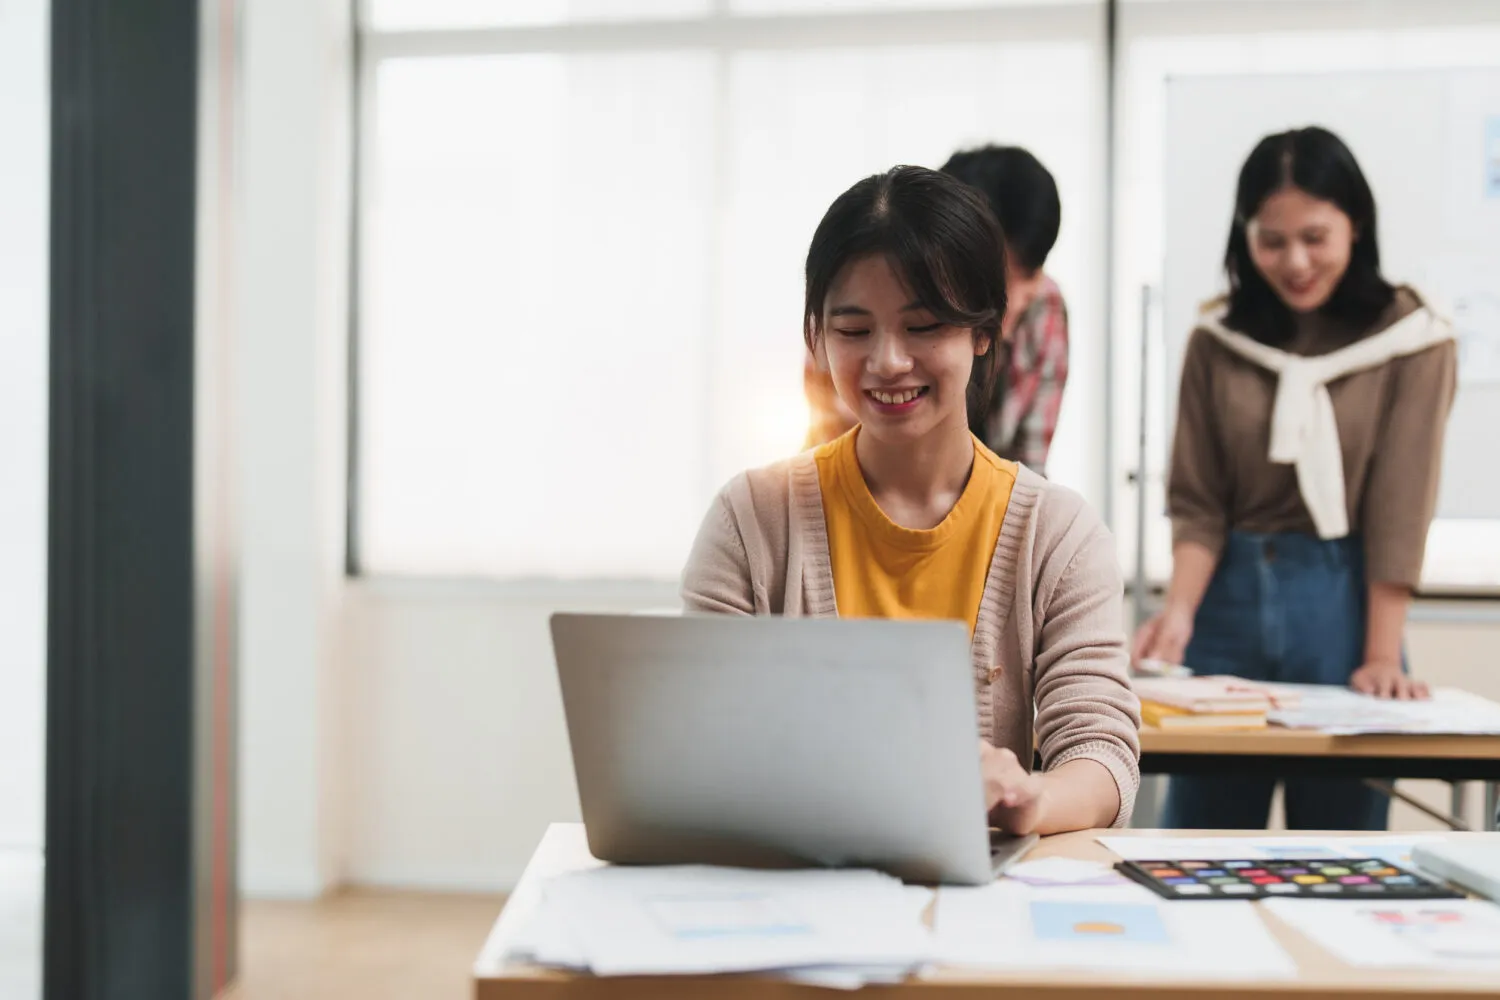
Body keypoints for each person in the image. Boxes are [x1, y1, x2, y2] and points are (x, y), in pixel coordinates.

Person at [687, 166, 1140, 837]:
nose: (888, 361)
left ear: (983, 333)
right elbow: (700, 744)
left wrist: (1029, 799)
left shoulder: (1059, 533)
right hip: (798, 894)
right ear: (816, 338)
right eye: (853, 329)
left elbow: (1100, 754)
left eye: (924, 326)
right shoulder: (751, 519)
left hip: (983, 897)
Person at [1133, 126, 1457, 831]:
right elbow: (1198, 503)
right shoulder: (1217, 338)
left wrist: (1378, 656)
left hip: (1345, 612)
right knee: (1198, 852)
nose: (1296, 261)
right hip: (1225, 607)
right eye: (1271, 241)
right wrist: (1179, 613)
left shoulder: (1414, 339)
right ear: (1244, 238)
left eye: (1316, 237)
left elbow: (1401, 507)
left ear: (1356, 225)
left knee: (1344, 858)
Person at [801, 145, 1069, 477]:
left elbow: (1030, 466)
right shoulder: (854, 294)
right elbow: (828, 434)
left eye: (1028, 277)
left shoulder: (1044, 305)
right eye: (857, 330)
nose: (1014, 299)